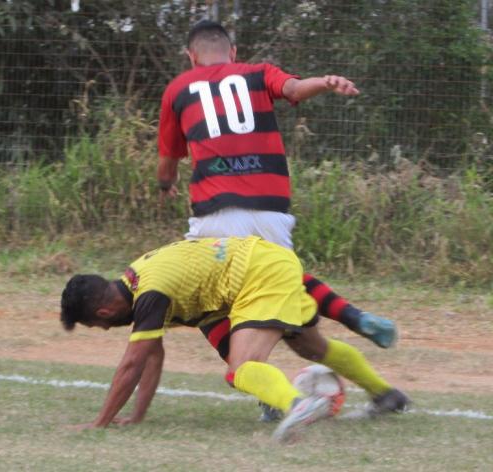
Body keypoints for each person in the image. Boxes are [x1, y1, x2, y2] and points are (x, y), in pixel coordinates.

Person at [157, 20, 397, 355]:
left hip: (216, 215)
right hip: (272, 212)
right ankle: (353, 317)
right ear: (233, 52)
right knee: (283, 285)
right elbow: (295, 89)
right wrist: (327, 83)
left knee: (204, 302)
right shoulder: (257, 73)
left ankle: (258, 382)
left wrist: (165, 184)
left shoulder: (178, 89)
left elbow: (168, 160)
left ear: (191, 56)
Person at [60, 236, 410, 441]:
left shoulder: (150, 294)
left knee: (240, 369)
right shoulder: (140, 277)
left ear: (103, 315)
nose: (104, 331)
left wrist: (99, 423)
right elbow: (152, 355)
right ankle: (386, 395)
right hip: (270, 262)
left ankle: (297, 403)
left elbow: (132, 363)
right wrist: (137, 415)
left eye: (95, 326)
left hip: (257, 277)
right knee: (310, 346)